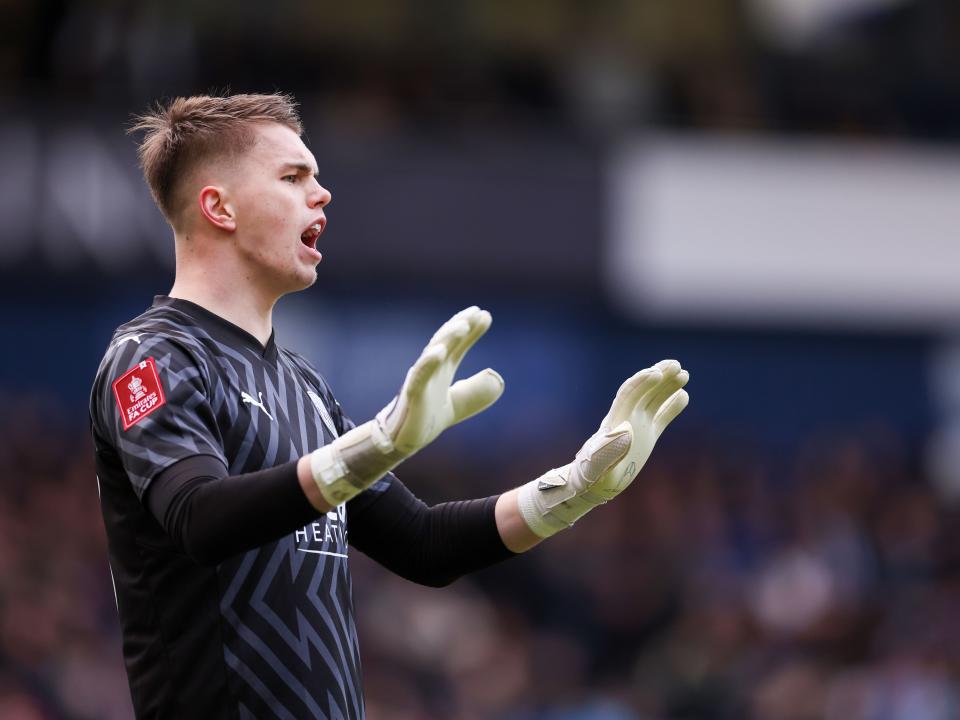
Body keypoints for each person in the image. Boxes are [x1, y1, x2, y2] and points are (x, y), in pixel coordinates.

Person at [88, 93, 690, 720]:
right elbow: (198, 517)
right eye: (293, 177)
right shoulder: (151, 357)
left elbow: (423, 544)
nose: (321, 195)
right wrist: (368, 449)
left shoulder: (304, 388)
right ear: (218, 206)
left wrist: (573, 490)